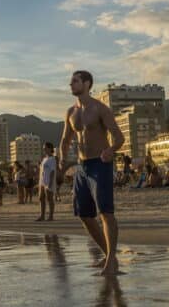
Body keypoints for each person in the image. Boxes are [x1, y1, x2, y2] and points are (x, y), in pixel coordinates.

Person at [59, 70, 124, 276]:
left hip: (100, 164)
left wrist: (110, 150)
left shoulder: (100, 108)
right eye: (71, 81)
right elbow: (65, 140)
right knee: (85, 215)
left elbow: (119, 137)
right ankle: (109, 256)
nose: (71, 84)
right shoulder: (71, 112)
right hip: (82, 166)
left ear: (87, 84)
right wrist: (62, 159)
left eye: (75, 81)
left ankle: (111, 263)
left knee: (105, 213)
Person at [36, 142, 57, 221]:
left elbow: (52, 171)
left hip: (48, 181)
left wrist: (50, 183)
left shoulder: (52, 159)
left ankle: (51, 216)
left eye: (45, 148)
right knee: (41, 198)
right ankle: (42, 216)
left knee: (49, 199)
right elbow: (43, 170)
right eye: (43, 148)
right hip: (42, 181)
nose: (44, 149)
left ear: (50, 148)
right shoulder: (45, 159)